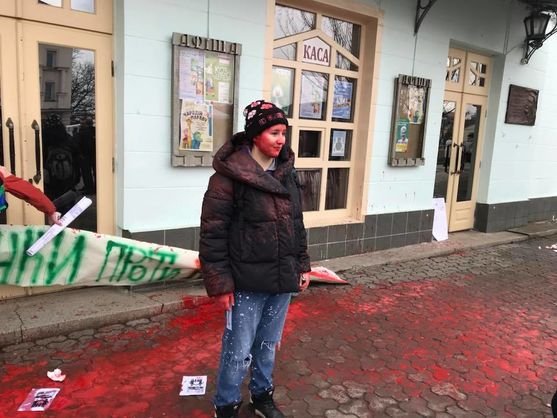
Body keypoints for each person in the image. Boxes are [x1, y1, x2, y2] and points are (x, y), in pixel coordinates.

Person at [199, 100, 311, 418]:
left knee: (268, 344)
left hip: (282, 277)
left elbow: (297, 223)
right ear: (255, 135)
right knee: (238, 351)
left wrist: (303, 264)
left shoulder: (287, 172)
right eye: (274, 132)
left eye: (283, 133)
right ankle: (226, 404)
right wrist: (220, 284)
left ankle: (262, 396)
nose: (281, 140)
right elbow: (212, 234)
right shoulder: (227, 178)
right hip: (245, 282)